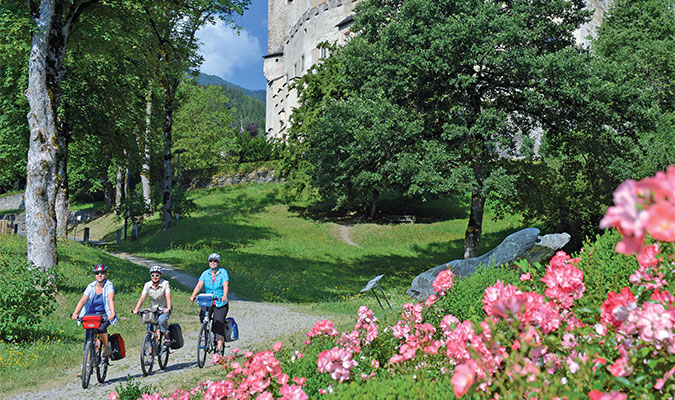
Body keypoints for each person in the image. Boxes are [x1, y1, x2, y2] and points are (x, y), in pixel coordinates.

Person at [71, 264, 117, 357]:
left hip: (104, 314)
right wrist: (75, 313)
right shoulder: (91, 286)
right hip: (90, 315)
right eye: (97, 273)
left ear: (106, 274)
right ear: (95, 275)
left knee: (101, 329)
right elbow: (83, 300)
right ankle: (86, 367)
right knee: (88, 338)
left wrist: (112, 313)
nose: (99, 275)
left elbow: (110, 299)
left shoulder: (109, 285)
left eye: (102, 273)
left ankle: (107, 347)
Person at [189, 253, 229, 352]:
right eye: (211, 261)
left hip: (220, 302)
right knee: (202, 316)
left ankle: (219, 344)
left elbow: (225, 285)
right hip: (208, 300)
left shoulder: (223, 272)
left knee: (218, 321)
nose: (213, 262)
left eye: (215, 261)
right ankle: (206, 333)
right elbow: (199, 285)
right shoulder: (205, 273)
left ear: (218, 262)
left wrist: (224, 295)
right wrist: (193, 295)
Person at [132, 265, 172, 346]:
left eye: (157, 275)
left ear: (160, 275)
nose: (155, 277)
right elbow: (142, 297)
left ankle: (166, 336)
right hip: (153, 308)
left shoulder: (165, 283)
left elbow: (168, 296)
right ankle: (150, 353)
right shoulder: (147, 284)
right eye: (152, 275)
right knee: (148, 325)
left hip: (163, 307)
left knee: (161, 321)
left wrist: (168, 307)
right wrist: (136, 309)